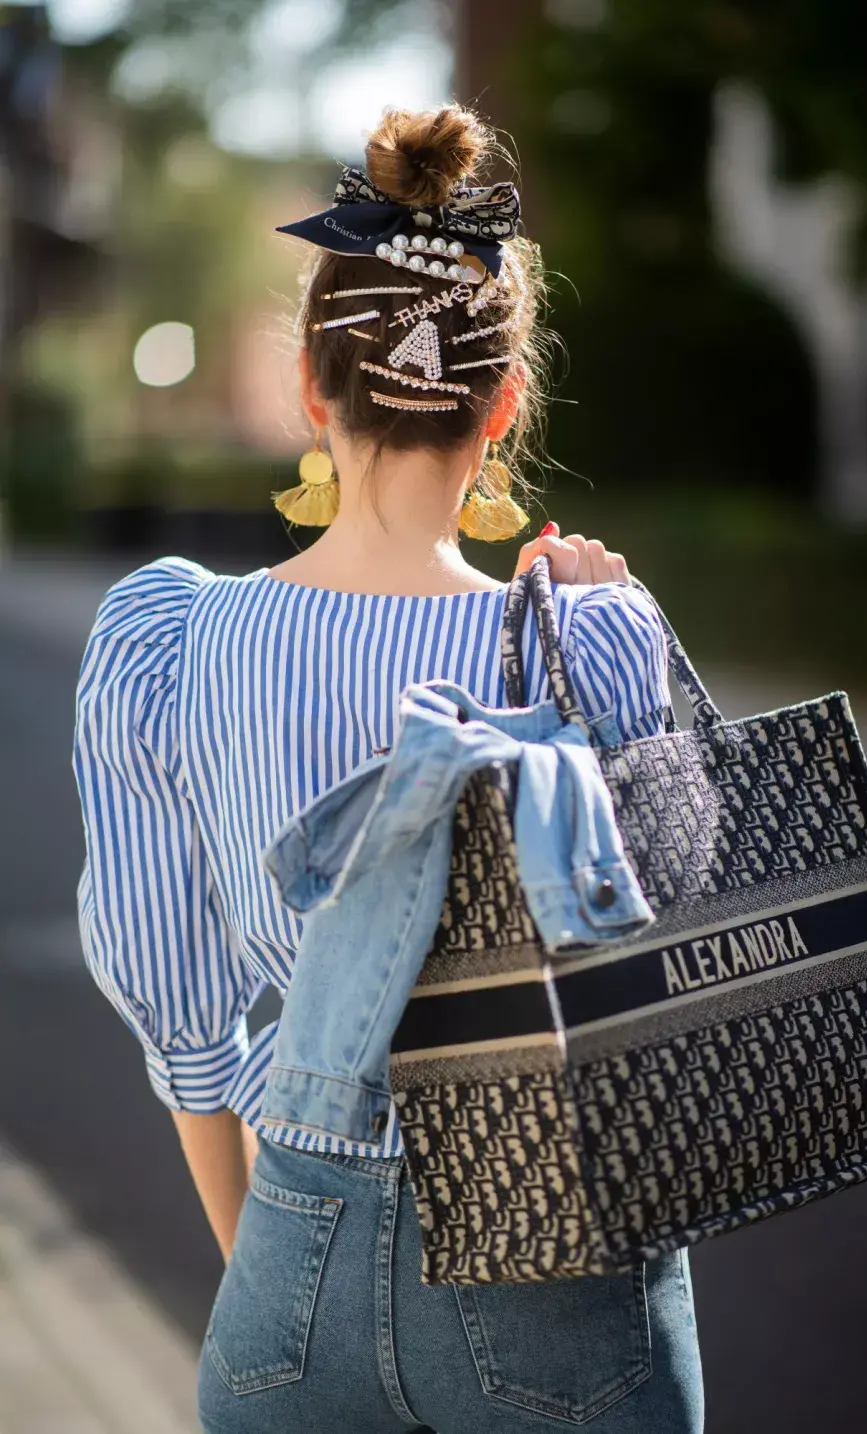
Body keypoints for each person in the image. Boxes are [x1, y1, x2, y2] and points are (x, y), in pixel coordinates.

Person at [72, 104, 703, 1433]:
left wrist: (272, 1256)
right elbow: (681, 937)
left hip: (288, 1250)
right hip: (549, 1244)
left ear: (312, 386)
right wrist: (617, 654)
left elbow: (182, 1013)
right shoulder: (580, 636)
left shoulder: (170, 640)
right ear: (509, 398)